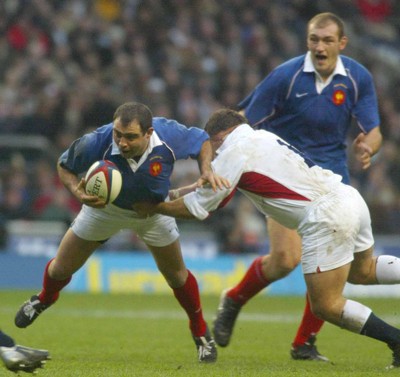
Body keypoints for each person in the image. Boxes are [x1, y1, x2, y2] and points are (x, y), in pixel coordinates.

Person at [135, 109, 400, 369]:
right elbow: (211, 189)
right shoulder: (263, 137)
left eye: (210, 146)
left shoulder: (232, 151)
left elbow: (200, 207)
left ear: (218, 137)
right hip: (349, 197)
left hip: (326, 217)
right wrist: (170, 195)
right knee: (362, 271)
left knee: (325, 305)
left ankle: (396, 341)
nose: (210, 153)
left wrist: (155, 208)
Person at [213, 12, 383, 361]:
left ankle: (304, 344)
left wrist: (369, 147)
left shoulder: (356, 78)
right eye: (313, 40)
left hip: (332, 178)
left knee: (332, 267)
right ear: (307, 41)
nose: (319, 47)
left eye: (326, 40)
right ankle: (234, 298)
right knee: (285, 259)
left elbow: (374, 129)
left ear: (342, 43)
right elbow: (242, 118)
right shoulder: (286, 77)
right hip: (287, 175)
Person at [14, 101, 228, 363]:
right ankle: (44, 299)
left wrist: (206, 169)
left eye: (130, 137)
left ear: (148, 134)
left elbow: (203, 141)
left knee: (176, 275)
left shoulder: (169, 135)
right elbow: (64, 165)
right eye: (119, 135)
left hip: (154, 212)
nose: (122, 143)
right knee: (60, 269)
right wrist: (78, 192)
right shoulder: (98, 141)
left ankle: (200, 331)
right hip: (105, 210)